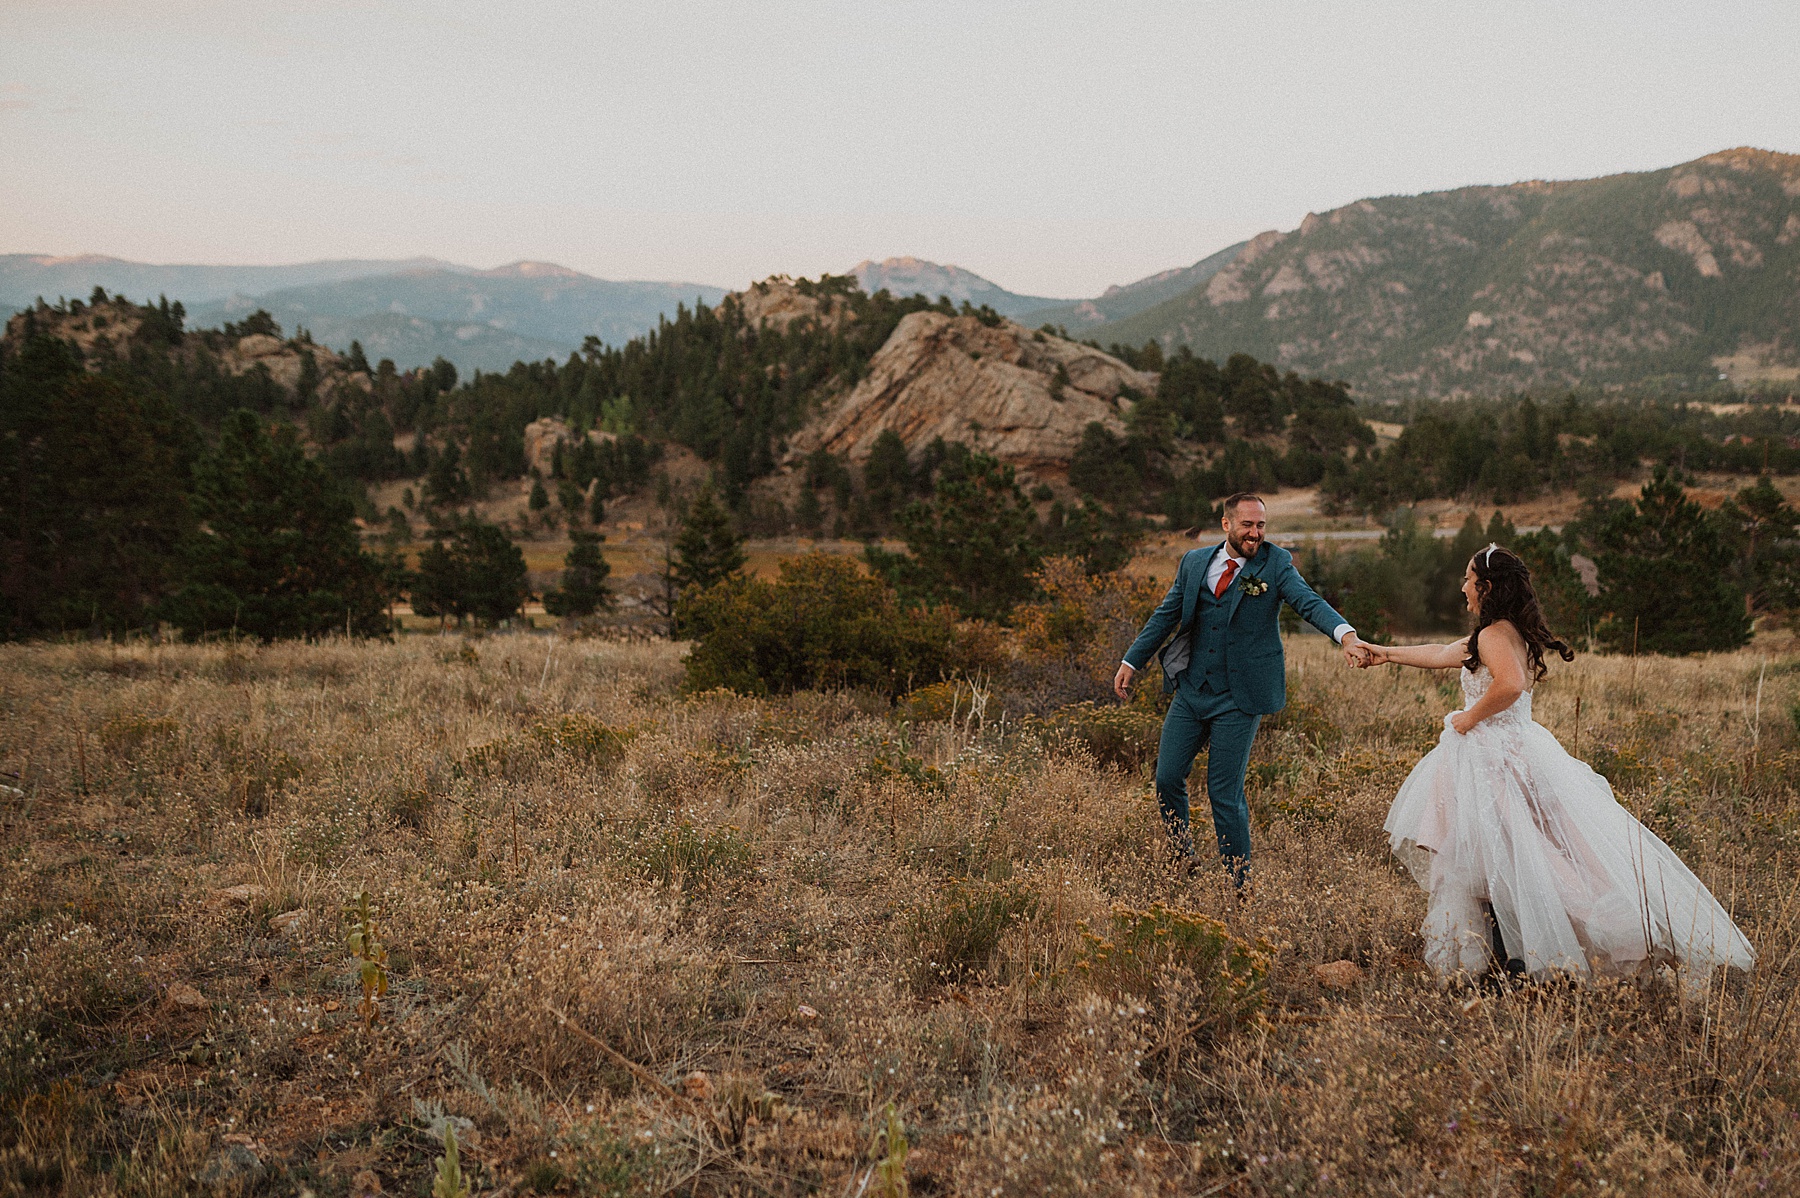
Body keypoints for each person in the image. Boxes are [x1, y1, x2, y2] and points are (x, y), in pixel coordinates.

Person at [1365, 544, 1755, 986]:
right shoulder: (1505, 632)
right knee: (1526, 854)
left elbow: (1510, 686)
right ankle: (1513, 949)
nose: (1462, 587)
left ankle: (1537, 953)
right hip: (1518, 751)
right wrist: (1385, 652)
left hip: (1494, 759)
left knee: (1523, 859)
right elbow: (1443, 651)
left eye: (1468, 579)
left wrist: (1466, 720)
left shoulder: (1493, 636)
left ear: (1486, 587)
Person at [1115, 493, 1370, 887]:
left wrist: (1346, 635)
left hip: (1240, 696)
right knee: (1166, 777)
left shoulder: (1277, 562)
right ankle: (1183, 858)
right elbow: (1165, 615)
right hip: (1192, 689)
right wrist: (1132, 661)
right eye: (1247, 525)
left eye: (1261, 525)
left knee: (1223, 791)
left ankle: (1239, 882)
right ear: (1226, 525)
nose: (1255, 533)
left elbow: (1309, 602)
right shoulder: (1194, 562)